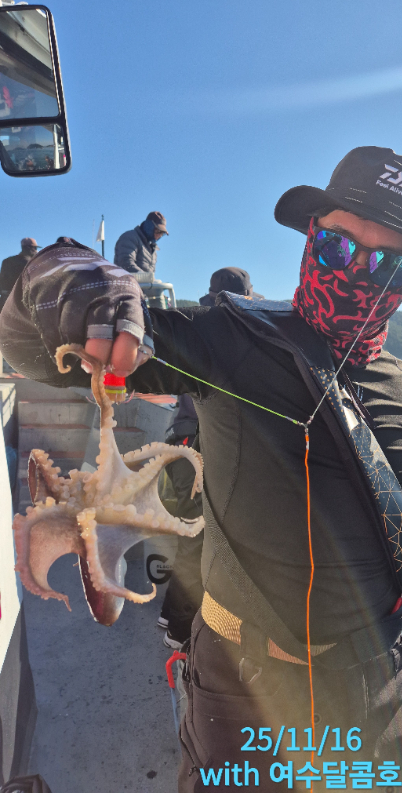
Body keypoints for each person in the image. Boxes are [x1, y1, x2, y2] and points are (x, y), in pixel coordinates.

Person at [0, 146, 402, 792]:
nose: (356, 272)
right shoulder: (229, 337)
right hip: (241, 686)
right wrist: (67, 277)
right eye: (338, 246)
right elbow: (30, 349)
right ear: (311, 237)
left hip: (375, 683)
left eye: (387, 262)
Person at [160, 267, 263, 649]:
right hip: (199, 451)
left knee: (193, 535)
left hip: (182, 445)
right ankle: (178, 631)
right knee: (199, 538)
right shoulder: (232, 336)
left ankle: (170, 614)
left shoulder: (199, 328)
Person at [113, 211, 168, 275]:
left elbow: (150, 275)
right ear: (149, 226)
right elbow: (125, 263)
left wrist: (149, 279)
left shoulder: (153, 250)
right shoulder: (130, 237)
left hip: (143, 282)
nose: (159, 235)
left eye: (162, 233)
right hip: (126, 281)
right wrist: (145, 277)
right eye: (158, 231)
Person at [0, 238, 39, 311]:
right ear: (29, 248)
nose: (37, 251)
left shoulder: (7, 261)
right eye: (35, 248)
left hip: (5, 302)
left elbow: (1, 280)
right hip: (22, 303)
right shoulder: (31, 263)